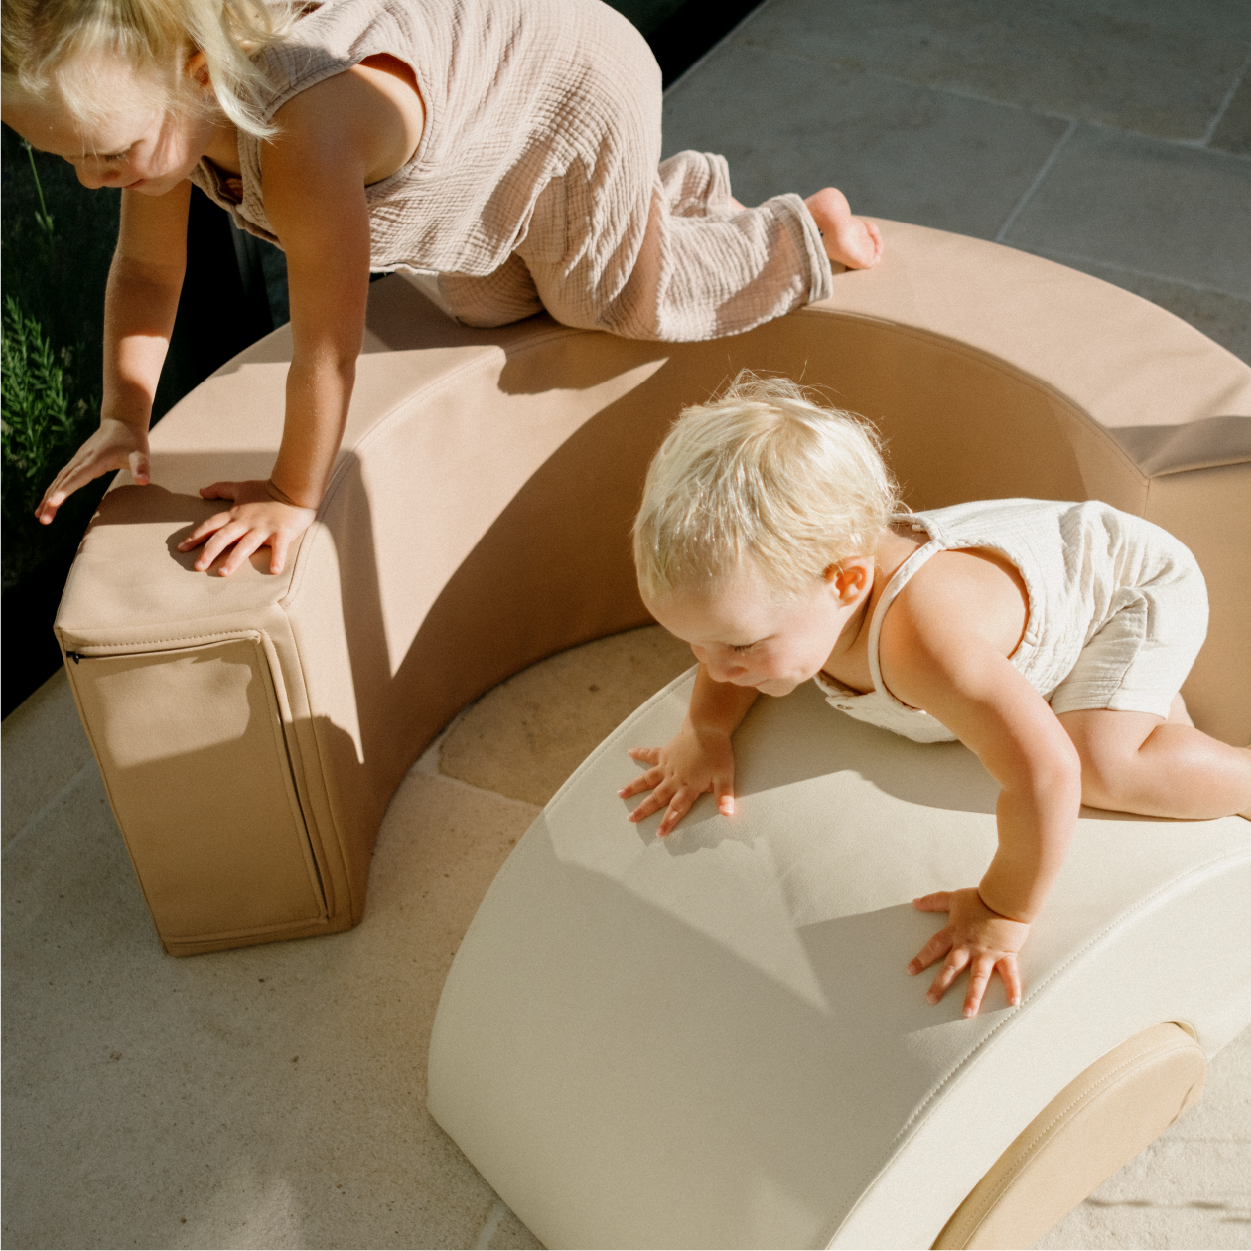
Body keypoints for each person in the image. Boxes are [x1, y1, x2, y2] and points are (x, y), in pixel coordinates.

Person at [0, 0, 882, 577]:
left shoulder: (300, 141)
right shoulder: (164, 127)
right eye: (65, 157)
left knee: (606, 300)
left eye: (106, 153)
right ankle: (643, 209)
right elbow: (151, 270)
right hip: (476, 140)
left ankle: (800, 232)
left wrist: (292, 493)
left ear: (199, 77)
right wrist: (125, 409)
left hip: (566, 79)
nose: (88, 179)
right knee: (485, 304)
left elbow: (326, 354)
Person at [621, 374, 1251, 1018]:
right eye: (693, 644)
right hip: (1022, 575)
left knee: (1098, 761)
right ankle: (1152, 715)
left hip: (1121, 592)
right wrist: (705, 731)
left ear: (845, 583)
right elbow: (723, 650)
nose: (715, 668)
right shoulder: (786, 601)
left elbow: (1046, 773)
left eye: (741, 646)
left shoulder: (923, 646)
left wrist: (1002, 910)